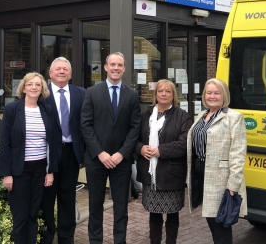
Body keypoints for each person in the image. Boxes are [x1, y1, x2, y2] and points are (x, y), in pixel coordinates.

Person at [80, 52, 141, 243]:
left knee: (121, 206)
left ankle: (119, 240)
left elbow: (135, 127)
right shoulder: (91, 92)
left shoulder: (132, 95)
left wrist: (122, 154)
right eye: (112, 64)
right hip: (96, 160)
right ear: (105, 67)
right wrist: (100, 153)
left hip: (121, 162)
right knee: (95, 206)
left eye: (120, 65)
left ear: (124, 68)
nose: (116, 68)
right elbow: (85, 125)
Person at [0, 72, 57, 244]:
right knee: (21, 216)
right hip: (19, 171)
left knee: (33, 214)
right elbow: (5, 142)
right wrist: (6, 174)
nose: (34, 87)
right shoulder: (12, 109)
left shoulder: (47, 109)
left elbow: (51, 142)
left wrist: (50, 171)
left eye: (37, 85)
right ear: (23, 88)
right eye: (30, 84)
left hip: (40, 169)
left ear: (42, 89)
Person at [187, 78, 247, 244]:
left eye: (216, 92)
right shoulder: (202, 115)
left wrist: (233, 185)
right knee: (211, 221)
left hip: (221, 180)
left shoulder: (234, 117)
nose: (212, 96)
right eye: (209, 92)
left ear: (224, 95)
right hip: (202, 176)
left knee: (221, 224)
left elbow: (238, 152)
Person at [135, 79, 192, 244]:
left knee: (172, 212)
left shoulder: (182, 116)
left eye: (168, 91)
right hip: (150, 173)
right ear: (156, 94)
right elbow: (134, 138)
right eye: (161, 91)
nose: (164, 94)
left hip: (171, 173)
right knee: (154, 212)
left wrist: (161, 151)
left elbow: (185, 143)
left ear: (173, 95)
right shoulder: (146, 115)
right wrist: (140, 148)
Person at [40, 57, 86, 244]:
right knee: (47, 196)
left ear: (70, 73)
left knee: (68, 196)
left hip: (71, 153)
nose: (61, 72)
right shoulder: (41, 95)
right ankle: (47, 235)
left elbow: (86, 125)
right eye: (57, 69)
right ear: (50, 74)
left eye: (65, 69)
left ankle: (66, 237)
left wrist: (82, 153)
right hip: (48, 152)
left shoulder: (81, 94)